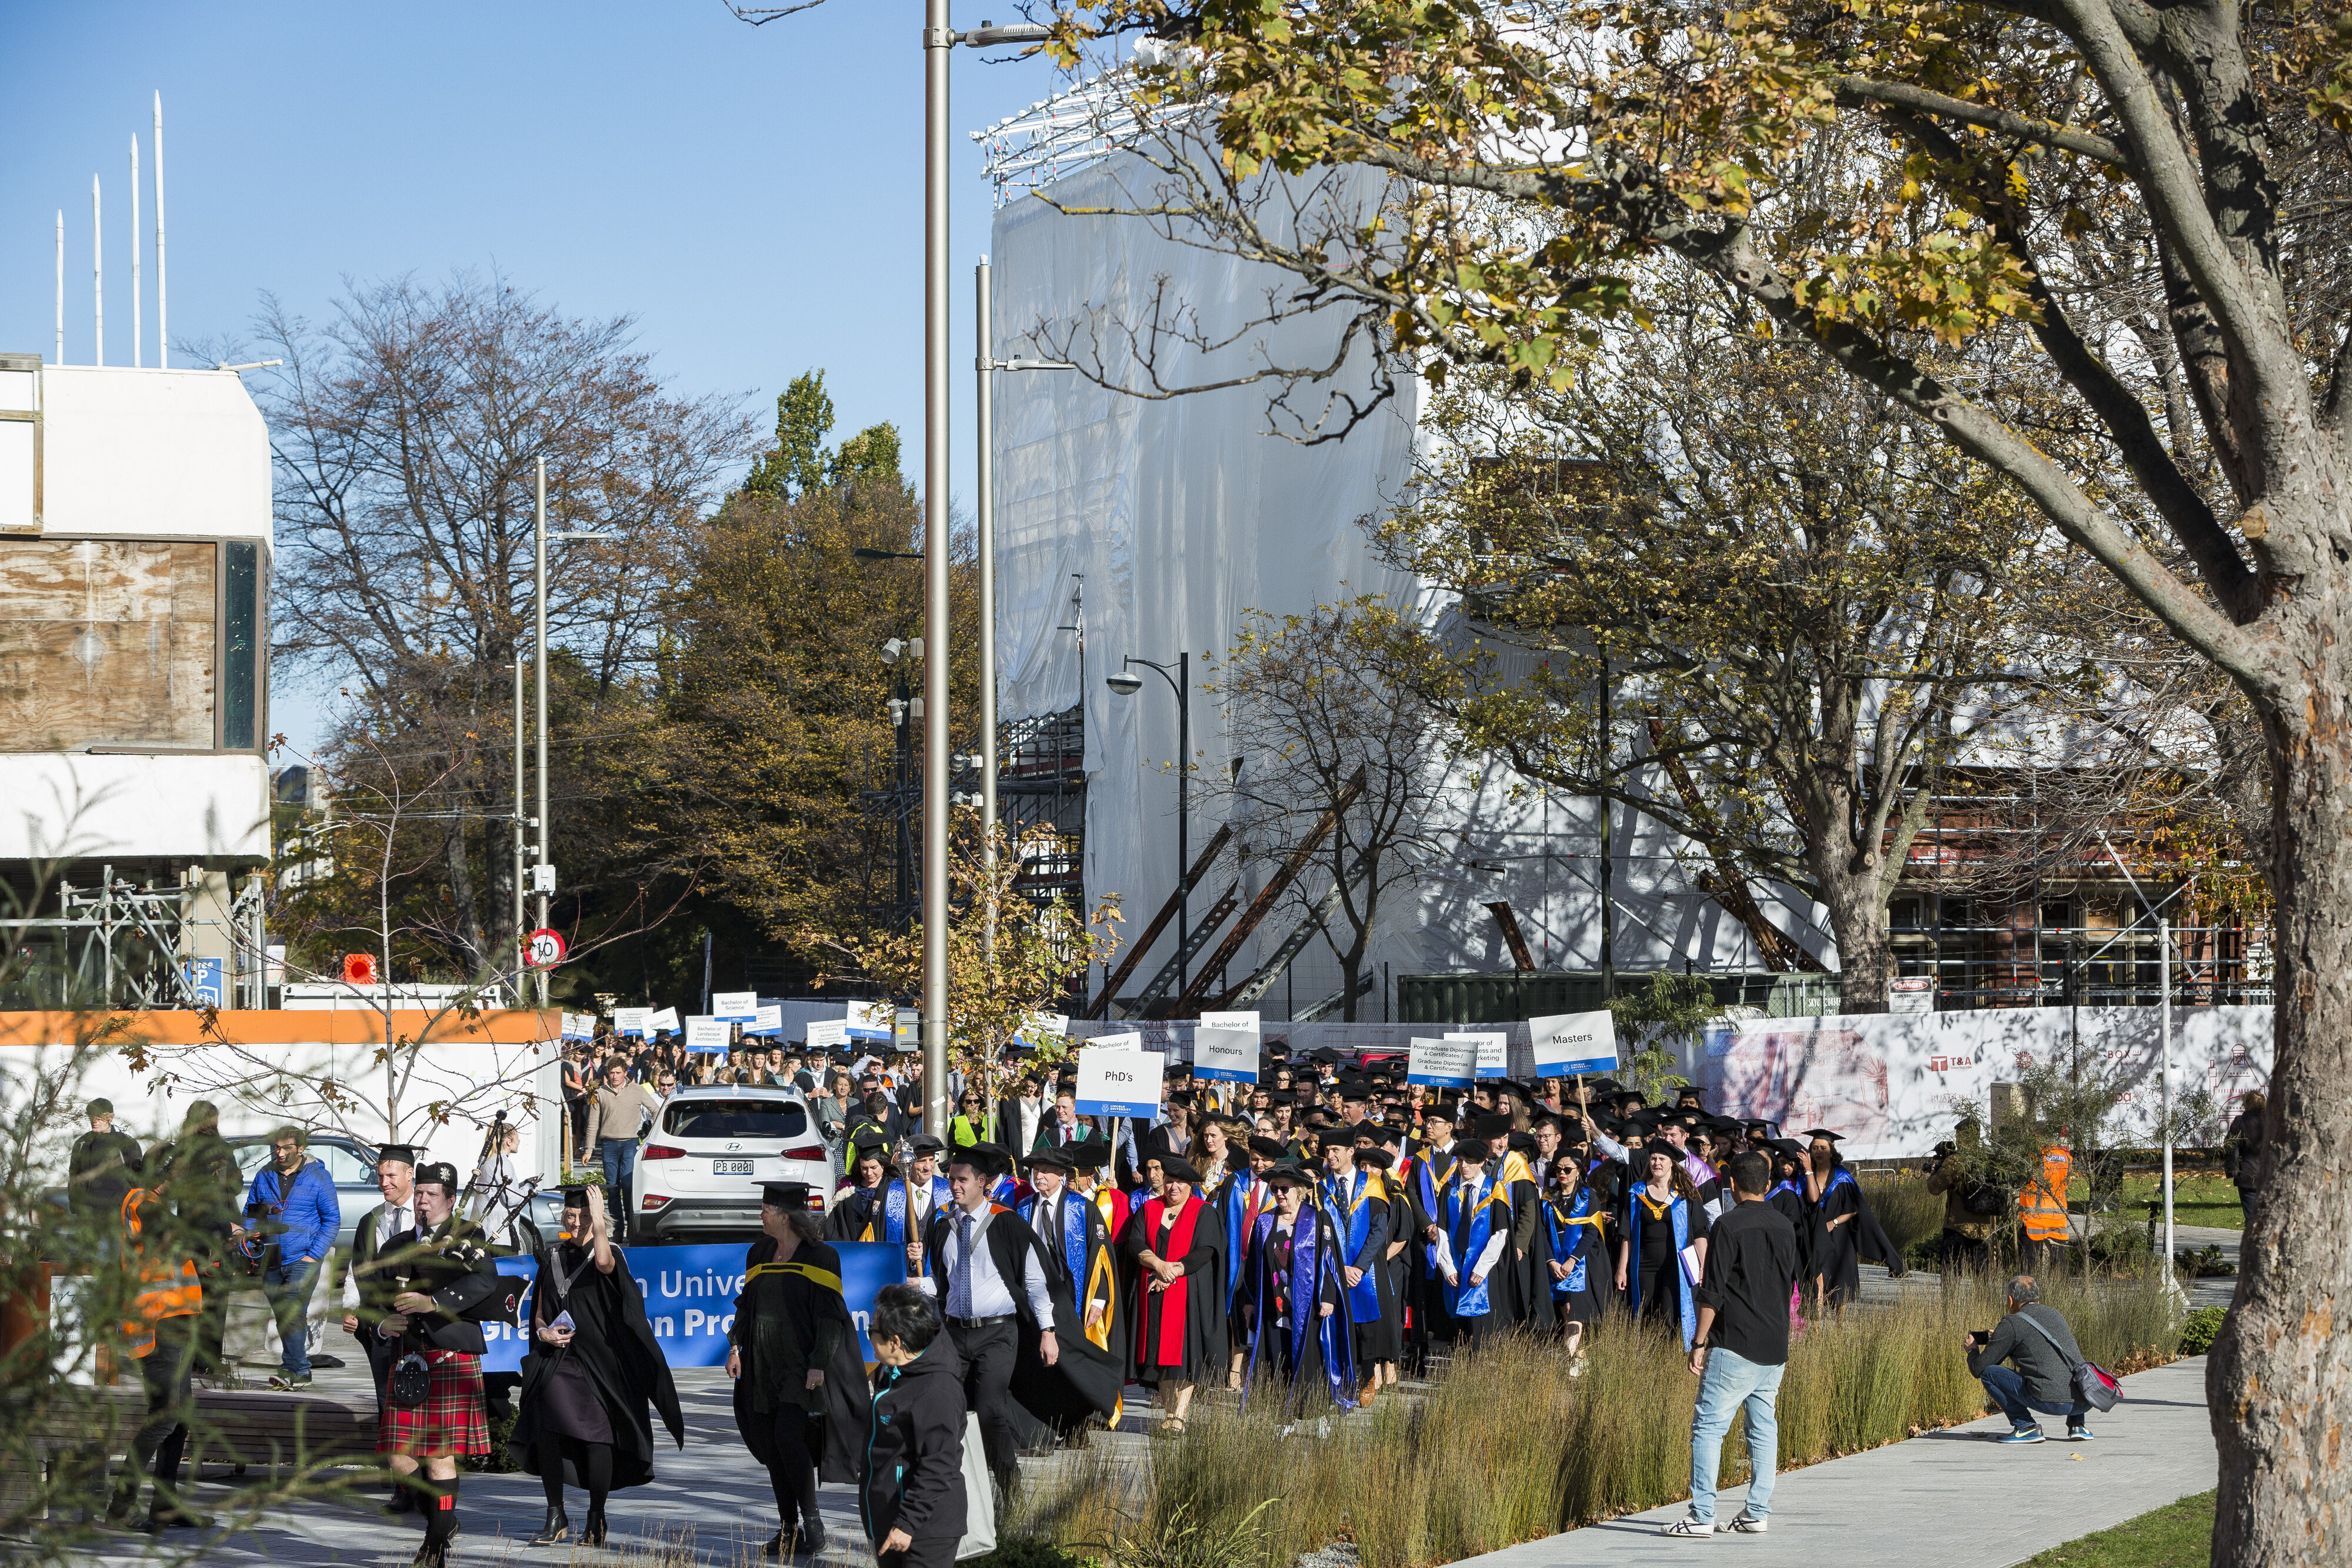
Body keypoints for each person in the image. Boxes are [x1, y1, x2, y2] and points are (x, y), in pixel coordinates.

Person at [515, 1186, 684, 1547]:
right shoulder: (554, 1255)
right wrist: (544, 1332)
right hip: (558, 1359)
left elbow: (605, 1264)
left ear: (597, 1218)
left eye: (584, 1217)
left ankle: (596, 1516)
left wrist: (601, 1223)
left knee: (597, 1436)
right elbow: (541, 1309)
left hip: (600, 1363)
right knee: (547, 1427)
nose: (575, 1224)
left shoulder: (609, 1254)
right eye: (570, 1216)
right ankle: (555, 1513)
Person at [371, 1161, 508, 1568]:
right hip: (408, 1357)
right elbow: (373, 1297)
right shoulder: (394, 1248)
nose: (423, 1202)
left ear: (450, 1200)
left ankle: (435, 1546)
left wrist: (434, 1304)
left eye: (432, 1196)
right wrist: (382, 1324)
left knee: (439, 1456)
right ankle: (441, 1518)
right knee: (400, 1458)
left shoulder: (469, 1238)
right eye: (420, 1195)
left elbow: (485, 1282)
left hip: (450, 1355)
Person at [730, 1182, 872, 1559]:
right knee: (773, 1448)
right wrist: (735, 1346)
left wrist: (819, 1365)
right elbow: (746, 1306)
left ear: (783, 1215)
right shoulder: (758, 1252)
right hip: (762, 1365)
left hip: (801, 1365)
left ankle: (813, 1523)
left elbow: (830, 1317)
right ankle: (788, 1529)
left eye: (764, 1209)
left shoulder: (821, 1256)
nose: (760, 1215)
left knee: (789, 1438)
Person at [1662, 1151, 1801, 1539]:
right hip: (1775, 1345)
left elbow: (1712, 1291)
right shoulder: (1784, 1225)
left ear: (1732, 1186)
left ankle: (1701, 1515)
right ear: (1768, 1185)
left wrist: (1699, 1341)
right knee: (1762, 1430)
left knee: (1708, 1429)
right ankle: (1756, 1512)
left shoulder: (1727, 1224)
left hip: (1735, 1343)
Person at [912, 1143, 1057, 1501]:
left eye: (962, 1180)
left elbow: (1035, 1280)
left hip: (997, 1333)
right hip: (954, 1333)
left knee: (991, 1408)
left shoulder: (1007, 1222)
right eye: (951, 1179)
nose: (954, 1186)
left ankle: (1010, 1489)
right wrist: (917, 1284)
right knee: (946, 1410)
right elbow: (945, 1284)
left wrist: (1047, 1330)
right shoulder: (942, 1225)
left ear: (981, 1182)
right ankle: (954, 1491)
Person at [105, 1185, 205, 1532]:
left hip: (174, 1325)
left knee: (179, 1420)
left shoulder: (153, 1204)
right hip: (157, 1328)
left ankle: (165, 1506)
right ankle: (120, 1508)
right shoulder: (143, 1202)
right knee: (164, 1420)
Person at [1015, 1147, 1125, 1442]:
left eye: (1046, 1171)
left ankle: (1077, 1425)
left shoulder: (1082, 1208)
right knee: (1043, 1362)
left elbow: (1102, 1255)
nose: (1040, 1176)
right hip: (1036, 1300)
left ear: (1062, 1175)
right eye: (1036, 1170)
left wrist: (1099, 1299)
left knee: (1072, 1363)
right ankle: (1049, 1425)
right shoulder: (1024, 1209)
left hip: (1072, 1298)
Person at [860, 1285, 969, 1568]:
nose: (869, 1336)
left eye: (873, 1331)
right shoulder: (895, 1370)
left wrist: (907, 1523)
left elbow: (939, 1464)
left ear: (895, 1342)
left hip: (924, 1531)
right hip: (891, 1518)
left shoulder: (936, 1389)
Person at [1117, 1155, 1225, 1434]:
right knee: (1157, 1357)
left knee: (1183, 1356)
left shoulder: (1204, 1212)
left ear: (1191, 1185)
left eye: (1179, 1182)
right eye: (1169, 1181)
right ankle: (1168, 1411)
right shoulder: (1148, 1209)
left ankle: (1179, 1415)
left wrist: (1173, 1272)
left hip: (1187, 1293)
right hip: (1152, 1292)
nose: (1173, 1187)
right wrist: (1158, 1265)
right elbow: (1135, 1242)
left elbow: (1206, 1251)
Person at [1240, 1159, 1355, 1414]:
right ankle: (1283, 1413)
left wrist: (1328, 1297)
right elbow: (1253, 1265)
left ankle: (1313, 1412)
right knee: (1278, 1355)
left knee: (1310, 1356)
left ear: (1299, 1190)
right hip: (1275, 1303)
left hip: (1308, 1302)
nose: (1279, 1194)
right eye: (1274, 1189)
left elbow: (1330, 1260)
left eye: (1285, 1188)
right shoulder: (1264, 1221)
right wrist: (1249, 1301)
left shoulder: (1317, 1219)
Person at [344, 1144, 422, 1513]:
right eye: (380, 1176)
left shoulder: (426, 1217)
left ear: (411, 1174)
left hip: (422, 1329)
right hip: (382, 1330)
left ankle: (431, 1481)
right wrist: (357, 1313)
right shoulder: (371, 1220)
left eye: (392, 1176)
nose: (384, 1182)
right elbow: (358, 1272)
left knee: (423, 1408)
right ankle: (402, 1487)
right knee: (388, 1406)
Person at [245, 1125, 341, 1390]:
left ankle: (294, 1369)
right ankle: (299, 1369)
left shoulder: (319, 1177)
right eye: (276, 1147)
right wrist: (252, 1235)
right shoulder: (264, 1175)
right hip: (271, 1257)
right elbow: (251, 1213)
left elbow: (332, 1221)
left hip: (303, 1257)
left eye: (287, 1148)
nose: (280, 1153)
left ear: (301, 1148)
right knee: (281, 1313)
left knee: (292, 1311)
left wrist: (314, 1255)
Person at [154, 1101, 241, 1384]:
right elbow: (237, 1186)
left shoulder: (183, 1150)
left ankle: (192, 1358)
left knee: (192, 1296)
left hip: (194, 1228)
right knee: (217, 1297)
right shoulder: (223, 1149)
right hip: (223, 1229)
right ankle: (209, 1359)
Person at [1966, 1274, 2095, 1443]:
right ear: (2037, 1298)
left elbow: (1979, 1369)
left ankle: (2026, 1426)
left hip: (2051, 1402)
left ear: (2010, 1300)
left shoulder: (2011, 1323)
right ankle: (2078, 1426)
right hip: (2085, 1400)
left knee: (1989, 1373)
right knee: (2066, 1363)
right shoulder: (2056, 1315)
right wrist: (2001, 1340)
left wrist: (1972, 1351)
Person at [1319, 1135, 1396, 1399]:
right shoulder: (1321, 1189)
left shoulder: (1372, 1185)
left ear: (1351, 1151)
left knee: (1368, 1328)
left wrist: (1359, 1268)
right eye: (1328, 1149)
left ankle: (1369, 1376)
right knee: (1342, 1324)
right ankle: (1343, 1381)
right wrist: (1341, 1268)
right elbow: (1320, 1234)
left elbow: (1378, 1231)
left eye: (1336, 1149)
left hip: (1367, 1269)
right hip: (1335, 1267)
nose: (1330, 1155)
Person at [1616, 1142, 1709, 1349]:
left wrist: (1704, 1266)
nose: (1657, 1163)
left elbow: (1700, 1233)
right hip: (1643, 1266)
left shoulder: (1685, 1194)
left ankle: (1669, 1357)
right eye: (1654, 1158)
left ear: (1672, 1164)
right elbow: (1626, 1235)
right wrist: (1622, 1269)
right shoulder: (1636, 1193)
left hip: (1675, 1267)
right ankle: (1646, 1360)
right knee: (1646, 1313)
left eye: (1662, 1159)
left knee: (1669, 1312)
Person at [1802, 1128, 1906, 1307]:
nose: (1818, 1152)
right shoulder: (1805, 1175)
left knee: (1840, 1283)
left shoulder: (1843, 1176)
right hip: (1815, 1236)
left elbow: (1855, 1208)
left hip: (1839, 1236)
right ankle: (1817, 1328)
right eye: (1815, 1148)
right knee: (1818, 1281)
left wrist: (1833, 1222)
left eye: (1823, 1148)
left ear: (1831, 1151)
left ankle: (1840, 1329)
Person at [582, 1059, 660, 1240]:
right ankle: (618, 1229)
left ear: (625, 1072)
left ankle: (632, 1228)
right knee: (613, 1188)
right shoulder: (600, 1093)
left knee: (628, 1185)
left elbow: (656, 1110)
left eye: (618, 1072)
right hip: (609, 1144)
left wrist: (650, 1136)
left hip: (630, 1143)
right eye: (611, 1073)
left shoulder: (637, 1090)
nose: (614, 1076)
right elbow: (593, 1123)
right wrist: (589, 1149)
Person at [1542, 1151, 1604, 1373]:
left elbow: (1591, 1232)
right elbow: (1543, 1234)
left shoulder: (1588, 1196)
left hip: (1582, 1262)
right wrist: (1551, 1262)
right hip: (1556, 1262)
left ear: (1578, 1171)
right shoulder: (1548, 1197)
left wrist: (1572, 1260)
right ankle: (1580, 1356)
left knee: (1573, 1307)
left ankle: (1567, 1359)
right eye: (1558, 1169)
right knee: (1565, 1309)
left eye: (1568, 1169)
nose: (1562, 1174)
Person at [860, 1135, 950, 1275]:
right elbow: (876, 1241)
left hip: (939, 1278)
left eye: (932, 1160)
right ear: (909, 1162)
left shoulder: (948, 1191)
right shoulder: (888, 1192)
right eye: (921, 1161)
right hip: (901, 1277)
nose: (928, 1167)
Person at [1925, 1117, 2001, 1275]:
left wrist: (1933, 1173)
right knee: (1982, 1276)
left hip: (1957, 1227)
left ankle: (1950, 1300)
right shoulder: (1988, 1160)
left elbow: (1935, 1188)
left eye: (1959, 1136)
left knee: (1951, 1273)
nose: (1957, 1140)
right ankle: (1984, 1300)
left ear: (1964, 1137)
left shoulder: (1956, 1161)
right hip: (1983, 1229)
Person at [68, 1097, 144, 1221]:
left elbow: (137, 1178)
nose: (94, 1120)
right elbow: (74, 1176)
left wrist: (129, 1208)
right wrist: (75, 1204)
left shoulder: (126, 1144)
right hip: (87, 1215)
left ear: (110, 1117)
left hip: (116, 1216)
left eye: (99, 1117)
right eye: (91, 1116)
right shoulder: (82, 1143)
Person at [467, 1120, 536, 1253]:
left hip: (484, 1233)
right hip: (497, 1235)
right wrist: (529, 1186)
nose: (520, 1141)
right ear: (509, 1142)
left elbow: (500, 1191)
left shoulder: (490, 1161)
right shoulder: (502, 1162)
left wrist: (522, 1184)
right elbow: (511, 1199)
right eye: (517, 1138)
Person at [2223, 1091, 2266, 1214]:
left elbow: (2229, 1145)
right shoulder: (2273, 1122)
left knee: (2251, 1218)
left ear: (2246, 1105)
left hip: (2247, 1175)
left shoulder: (2239, 1122)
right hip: (2270, 1175)